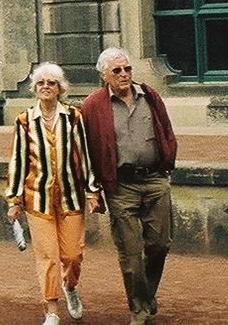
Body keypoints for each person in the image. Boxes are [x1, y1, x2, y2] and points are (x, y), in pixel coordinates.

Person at [81, 49, 178, 325]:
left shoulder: (150, 96)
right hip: (120, 185)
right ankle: (139, 310)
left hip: (155, 179)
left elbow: (166, 130)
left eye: (127, 69)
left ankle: (145, 294)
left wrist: (168, 161)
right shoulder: (92, 106)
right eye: (117, 71)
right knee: (131, 252)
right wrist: (93, 190)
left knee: (160, 244)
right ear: (104, 76)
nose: (124, 74)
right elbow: (86, 150)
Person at [7, 63, 101, 325]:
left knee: (73, 254)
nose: (46, 87)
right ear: (35, 88)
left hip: (71, 197)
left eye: (51, 83)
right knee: (47, 256)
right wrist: (14, 200)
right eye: (41, 83)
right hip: (38, 199)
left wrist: (92, 192)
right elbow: (18, 162)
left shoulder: (73, 117)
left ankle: (70, 286)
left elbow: (84, 156)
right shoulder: (24, 120)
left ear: (60, 88)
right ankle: (51, 310)